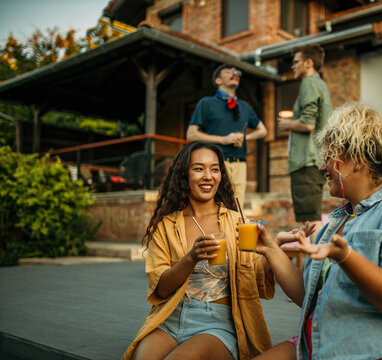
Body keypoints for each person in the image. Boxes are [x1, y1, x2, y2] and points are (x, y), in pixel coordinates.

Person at [256, 103, 382, 359]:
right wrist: (271, 249)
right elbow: (311, 298)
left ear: (358, 161)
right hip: (327, 345)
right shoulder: (335, 222)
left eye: (329, 156)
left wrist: (346, 257)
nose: (322, 166)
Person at [122, 141, 275, 360]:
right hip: (172, 317)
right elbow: (161, 289)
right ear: (184, 174)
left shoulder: (236, 221)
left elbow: (254, 276)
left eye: (215, 169)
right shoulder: (166, 225)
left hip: (217, 322)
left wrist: (277, 248)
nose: (208, 176)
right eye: (198, 168)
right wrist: (191, 258)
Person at [187, 64, 267, 207]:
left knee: (237, 208)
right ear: (218, 80)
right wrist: (223, 139)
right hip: (216, 163)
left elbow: (263, 130)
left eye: (237, 72)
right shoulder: (206, 103)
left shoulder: (244, 106)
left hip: (240, 164)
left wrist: (245, 137)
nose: (235, 74)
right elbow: (191, 134)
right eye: (229, 72)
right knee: (216, 206)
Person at [277, 45, 332, 239]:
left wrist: (287, 124)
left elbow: (308, 124)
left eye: (295, 62)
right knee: (311, 218)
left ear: (308, 63)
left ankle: (317, 267)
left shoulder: (309, 84)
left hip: (307, 162)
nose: (292, 66)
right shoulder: (318, 84)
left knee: (311, 220)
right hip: (312, 160)